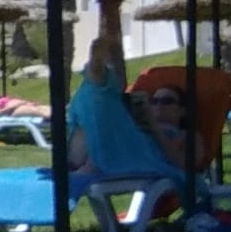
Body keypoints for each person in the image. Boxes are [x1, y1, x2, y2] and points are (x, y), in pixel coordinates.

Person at [65, 38, 206, 177]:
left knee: (100, 102)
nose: (159, 106)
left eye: (167, 101)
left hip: (150, 164)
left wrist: (155, 129)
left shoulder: (188, 135)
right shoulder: (139, 127)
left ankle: (99, 79)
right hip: (120, 153)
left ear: (183, 110)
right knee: (92, 122)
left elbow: (184, 164)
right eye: (154, 101)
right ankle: (99, 80)